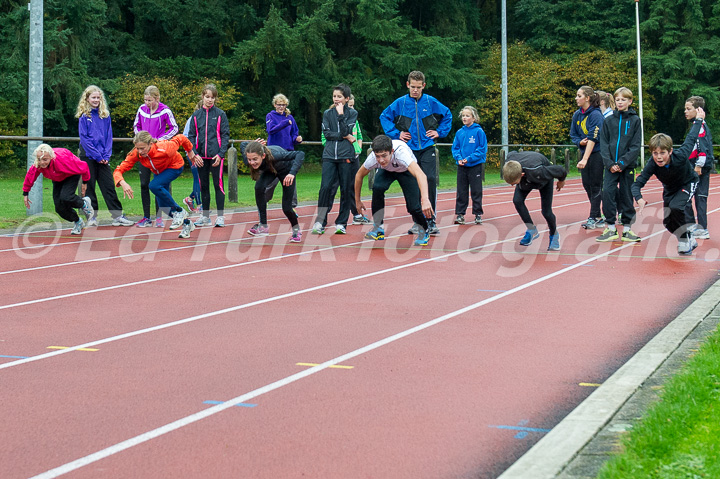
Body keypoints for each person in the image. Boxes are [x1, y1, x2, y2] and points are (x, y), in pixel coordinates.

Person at [380, 70, 452, 236]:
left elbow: (447, 114)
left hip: (427, 147)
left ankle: (431, 220)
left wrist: (439, 132)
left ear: (423, 86)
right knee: (413, 183)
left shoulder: (430, 101)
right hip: (409, 149)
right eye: (412, 86)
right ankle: (417, 221)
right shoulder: (401, 103)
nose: (415, 90)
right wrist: (396, 134)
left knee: (430, 179)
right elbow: (384, 116)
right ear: (407, 85)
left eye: (418, 87)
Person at [632, 107, 707, 255]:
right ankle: (687, 237)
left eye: (662, 153)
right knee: (667, 223)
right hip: (670, 189)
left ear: (670, 151)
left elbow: (691, 138)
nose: (658, 157)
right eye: (655, 153)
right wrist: (639, 198)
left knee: (676, 207)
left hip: (688, 183)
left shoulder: (680, 156)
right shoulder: (652, 164)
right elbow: (637, 183)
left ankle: (685, 239)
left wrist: (699, 120)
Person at [354, 135, 434, 246]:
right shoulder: (373, 158)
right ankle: (378, 228)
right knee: (377, 187)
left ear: (391, 151)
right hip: (387, 170)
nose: (381, 160)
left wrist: (425, 199)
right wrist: (357, 201)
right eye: (378, 156)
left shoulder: (402, 154)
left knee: (413, 207)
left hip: (405, 171)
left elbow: (421, 175)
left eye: (384, 156)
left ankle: (424, 230)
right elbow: (359, 175)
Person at [113, 131, 196, 238]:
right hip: (159, 173)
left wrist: (190, 151)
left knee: (153, 185)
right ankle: (188, 224)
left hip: (175, 167)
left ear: (150, 143)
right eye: (137, 148)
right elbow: (118, 170)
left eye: (142, 148)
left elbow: (181, 138)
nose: (140, 151)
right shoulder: (136, 153)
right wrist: (122, 182)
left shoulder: (164, 147)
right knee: (164, 208)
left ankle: (180, 211)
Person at [75, 85, 133, 227]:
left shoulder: (105, 116)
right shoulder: (84, 117)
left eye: (98, 97)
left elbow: (108, 137)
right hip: (88, 156)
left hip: (103, 157)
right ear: (87, 99)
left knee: (108, 186)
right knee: (89, 187)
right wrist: (96, 155)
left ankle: (117, 215)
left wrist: (106, 155)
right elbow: (84, 139)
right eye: (93, 97)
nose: (96, 100)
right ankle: (91, 217)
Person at [311, 83, 358, 235]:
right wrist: (344, 137)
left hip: (346, 156)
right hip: (329, 156)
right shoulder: (327, 113)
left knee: (345, 188)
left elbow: (346, 130)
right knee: (325, 187)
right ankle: (320, 221)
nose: (336, 99)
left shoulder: (352, 113)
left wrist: (340, 115)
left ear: (346, 99)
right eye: (334, 96)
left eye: (339, 97)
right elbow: (327, 134)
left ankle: (342, 223)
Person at [596, 87, 642, 242]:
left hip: (626, 167)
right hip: (610, 167)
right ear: (614, 102)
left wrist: (622, 163)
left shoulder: (635, 120)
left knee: (627, 195)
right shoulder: (608, 121)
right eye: (617, 100)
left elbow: (635, 145)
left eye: (623, 99)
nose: (620, 102)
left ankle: (628, 229)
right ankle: (610, 228)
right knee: (608, 193)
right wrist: (609, 163)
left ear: (630, 101)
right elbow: (604, 143)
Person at [240, 140, 305, 242]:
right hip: (271, 170)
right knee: (259, 187)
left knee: (287, 208)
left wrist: (292, 173)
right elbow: (243, 144)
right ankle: (263, 226)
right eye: (249, 159)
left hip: (286, 170)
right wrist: (254, 143)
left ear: (263, 156)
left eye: (255, 159)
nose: (252, 163)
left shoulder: (276, 155)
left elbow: (300, 154)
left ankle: (296, 231)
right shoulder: (248, 158)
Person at [133, 85, 179, 227]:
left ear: (157, 98)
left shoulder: (165, 110)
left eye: (150, 100)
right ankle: (146, 217)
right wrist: (140, 138)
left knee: (158, 184)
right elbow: (136, 126)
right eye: (145, 100)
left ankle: (159, 216)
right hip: (144, 152)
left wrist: (161, 139)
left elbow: (174, 128)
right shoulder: (141, 109)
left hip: (158, 152)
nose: (147, 103)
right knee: (144, 184)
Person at [22, 144, 94, 235]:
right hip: (57, 178)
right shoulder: (38, 164)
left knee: (66, 197)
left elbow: (83, 166)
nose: (42, 162)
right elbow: (30, 176)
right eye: (40, 159)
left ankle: (84, 203)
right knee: (59, 208)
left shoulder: (62, 159)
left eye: (45, 160)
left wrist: (85, 182)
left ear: (51, 157)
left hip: (71, 174)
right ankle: (78, 221)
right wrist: (25, 193)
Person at [322, 93, 371, 225]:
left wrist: (358, 149)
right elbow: (325, 136)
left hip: (352, 155)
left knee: (350, 186)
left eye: (353, 106)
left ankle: (355, 214)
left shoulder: (354, 118)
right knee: (330, 187)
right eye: (350, 106)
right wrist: (340, 142)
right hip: (335, 156)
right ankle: (323, 216)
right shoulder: (329, 117)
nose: (352, 108)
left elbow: (358, 136)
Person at [502, 151, 567, 251]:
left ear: (522, 174)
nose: (512, 185)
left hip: (543, 180)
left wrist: (561, 181)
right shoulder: (509, 164)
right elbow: (512, 153)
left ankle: (554, 235)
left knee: (546, 212)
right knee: (517, 201)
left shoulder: (538, 171)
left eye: (513, 183)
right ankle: (532, 229)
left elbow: (561, 170)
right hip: (526, 179)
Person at [188, 84, 231, 228]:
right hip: (200, 158)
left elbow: (225, 136)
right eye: (207, 97)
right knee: (203, 186)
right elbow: (191, 136)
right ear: (202, 97)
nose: (210, 100)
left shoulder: (220, 114)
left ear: (215, 98)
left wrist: (220, 154)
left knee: (218, 186)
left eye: (212, 97)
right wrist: (194, 155)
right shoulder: (196, 115)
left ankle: (220, 217)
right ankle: (205, 217)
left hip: (216, 157)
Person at [570, 86, 605, 230]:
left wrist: (584, 158)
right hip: (585, 152)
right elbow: (573, 134)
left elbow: (593, 138)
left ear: (587, 98)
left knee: (596, 185)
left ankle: (593, 216)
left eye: (579, 96)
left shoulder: (596, 115)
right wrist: (579, 142)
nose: (576, 98)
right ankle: (597, 215)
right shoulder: (577, 115)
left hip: (597, 153)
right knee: (586, 184)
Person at [684, 96, 714, 240]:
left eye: (688, 109)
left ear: (698, 110)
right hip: (698, 166)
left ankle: (696, 226)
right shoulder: (698, 126)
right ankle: (698, 227)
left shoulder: (700, 127)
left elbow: (702, 147)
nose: (685, 111)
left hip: (698, 167)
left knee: (692, 196)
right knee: (698, 197)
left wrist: (698, 165)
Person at [451, 106, 487, 225]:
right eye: (463, 116)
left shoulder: (479, 131)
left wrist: (469, 159)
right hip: (462, 166)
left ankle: (477, 214)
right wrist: (459, 158)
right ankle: (460, 214)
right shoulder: (459, 132)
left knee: (476, 190)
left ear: (473, 117)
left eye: (467, 116)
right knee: (461, 191)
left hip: (475, 165)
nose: (464, 118)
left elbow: (482, 149)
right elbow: (455, 148)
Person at [264, 93, 300, 208]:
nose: (281, 107)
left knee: (290, 179)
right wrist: (284, 123)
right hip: (274, 152)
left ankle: (292, 205)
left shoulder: (290, 117)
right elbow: (271, 130)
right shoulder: (270, 116)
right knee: (272, 180)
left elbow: (294, 134)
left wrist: (297, 139)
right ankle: (263, 200)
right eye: (279, 105)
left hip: (288, 152)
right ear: (275, 105)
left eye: (283, 105)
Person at [181, 116, 202, 214]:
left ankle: (189, 198)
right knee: (197, 178)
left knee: (203, 179)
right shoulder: (192, 119)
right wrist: (190, 152)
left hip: (204, 153)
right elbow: (185, 137)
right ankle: (199, 205)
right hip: (193, 153)